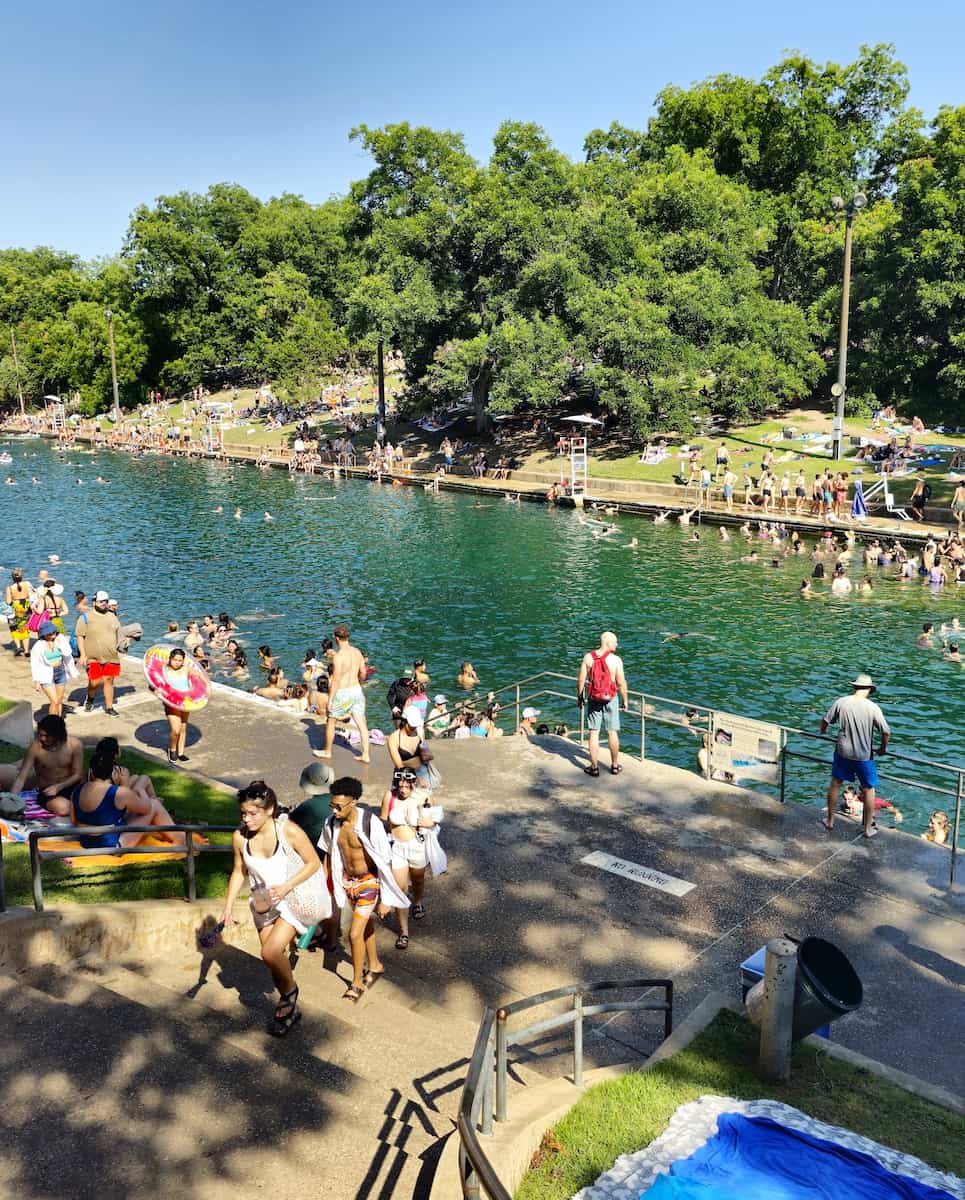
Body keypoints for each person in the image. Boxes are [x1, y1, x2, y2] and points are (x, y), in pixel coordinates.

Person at [221, 780, 322, 1035]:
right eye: (243, 813)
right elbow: (238, 872)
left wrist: (288, 886)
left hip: (292, 897)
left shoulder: (288, 831)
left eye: (252, 813)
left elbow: (313, 863)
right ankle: (289, 1007)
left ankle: (289, 994)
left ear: (269, 809)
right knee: (274, 960)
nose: (246, 819)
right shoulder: (239, 837)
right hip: (263, 901)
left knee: (269, 952)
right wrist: (228, 906)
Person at [319, 777, 410, 1002]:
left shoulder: (371, 823)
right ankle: (376, 965)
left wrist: (386, 899)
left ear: (354, 802)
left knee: (354, 934)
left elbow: (385, 861)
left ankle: (356, 982)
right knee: (365, 925)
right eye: (333, 805)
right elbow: (329, 855)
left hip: (369, 883)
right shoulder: (331, 823)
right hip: (347, 882)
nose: (335, 810)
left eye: (339, 806)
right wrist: (323, 883)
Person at [379, 769, 445, 950]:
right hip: (397, 847)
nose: (403, 790)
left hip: (417, 846)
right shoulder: (389, 796)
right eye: (400, 786)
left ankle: (417, 901)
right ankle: (404, 932)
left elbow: (436, 819)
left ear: (413, 784)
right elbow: (383, 818)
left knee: (417, 880)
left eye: (407, 786)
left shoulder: (423, 797)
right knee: (400, 889)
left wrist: (430, 823)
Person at [819, 673, 890, 838]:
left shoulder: (841, 702)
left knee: (835, 783)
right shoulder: (872, 707)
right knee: (869, 789)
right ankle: (867, 828)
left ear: (854, 687)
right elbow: (886, 731)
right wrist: (882, 748)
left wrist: (822, 732)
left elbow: (825, 721)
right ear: (870, 690)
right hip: (863, 754)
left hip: (842, 750)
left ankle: (830, 820)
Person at [72, 746, 184, 848]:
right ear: (112, 772)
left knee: (138, 808)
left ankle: (173, 832)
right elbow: (147, 808)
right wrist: (140, 790)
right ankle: (180, 839)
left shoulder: (77, 790)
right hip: (112, 845)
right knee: (154, 804)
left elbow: (74, 821)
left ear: (91, 771)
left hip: (86, 842)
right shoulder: (118, 793)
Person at [290, 762, 340, 951]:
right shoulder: (339, 801)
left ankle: (314, 933)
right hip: (337, 860)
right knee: (334, 901)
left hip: (315, 861)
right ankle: (332, 941)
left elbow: (290, 827)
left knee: (304, 900)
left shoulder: (309, 807)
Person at [0, 714, 84, 817]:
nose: (42, 739)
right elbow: (21, 778)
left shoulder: (74, 745)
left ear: (58, 735)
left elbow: (77, 775)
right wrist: (12, 798)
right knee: (63, 808)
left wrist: (58, 787)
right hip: (47, 792)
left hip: (70, 787)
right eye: (40, 735)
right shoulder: (35, 747)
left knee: (91, 803)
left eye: (46, 736)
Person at [576, 631, 629, 777]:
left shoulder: (588, 657)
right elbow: (621, 683)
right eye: (615, 641)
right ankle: (614, 766)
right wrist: (625, 699)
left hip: (594, 697)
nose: (617, 644)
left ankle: (594, 768)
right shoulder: (616, 660)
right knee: (612, 731)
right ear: (608, 642)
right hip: (611, 697)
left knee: (594, 732)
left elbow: (581, 680)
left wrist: (580, 697)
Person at [315, 624, 369, 763]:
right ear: (348, 637)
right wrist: (360, 682)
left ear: (336, 638)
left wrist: (331, 699)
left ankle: (327, 752)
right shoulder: (357, 652)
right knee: (361, 724)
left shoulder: (338, 656)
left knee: (331, 721)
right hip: (356, 689)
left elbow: (337, 679)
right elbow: (363, 672)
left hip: (343, 692)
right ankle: (366, 755)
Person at [77, 590, 122, 715]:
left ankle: (109, 707)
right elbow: (80, 636)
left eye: (106, 601)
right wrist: (82, 654)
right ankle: (90, 698)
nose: (104, 603)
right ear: (94, 602)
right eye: (101, 601)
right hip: (92, 656)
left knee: (109, 680)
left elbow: (119, 632)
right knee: (94, 681)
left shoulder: (112, 616)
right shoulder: (85, 617)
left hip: (111, 655)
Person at [149, 647, 193, 764]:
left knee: (183, 728)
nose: (177, 662)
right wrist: (156, 691)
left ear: (183, 661)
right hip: (171, 703)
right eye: (175, 660)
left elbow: (198, 679)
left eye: (180, 660)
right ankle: (172, 749)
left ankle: (181, 753)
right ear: (170, 659)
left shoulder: (186, 669)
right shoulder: (164, 670)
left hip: (185, 702)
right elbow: (152, 683)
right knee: (176, 730)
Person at [29, 620, 76, 716]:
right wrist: (37, 681)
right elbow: (35, 664)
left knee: (59, 701)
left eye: (54, 633)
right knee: (54, 701)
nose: (53, 636)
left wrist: (60, 641)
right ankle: (51, 724)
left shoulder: (60, 639)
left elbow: (68, 652)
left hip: (61, 672)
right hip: (46, 675)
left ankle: (58, 723)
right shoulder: (38, 646)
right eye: (49, 634)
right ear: (43, 634)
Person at [5, 568, 32, 657]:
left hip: (15, 608)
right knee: (25, 628)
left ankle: (19, 647)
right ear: (21, 576)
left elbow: (8, 602)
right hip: (26, 607)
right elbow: (30, 596)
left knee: (14, 628)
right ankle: (27, 650)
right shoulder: (26, 585)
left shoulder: (9, 588)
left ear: (12, 578)